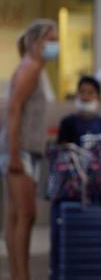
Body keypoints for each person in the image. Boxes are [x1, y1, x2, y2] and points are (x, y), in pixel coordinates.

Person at [0, 19, 58, 280]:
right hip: (19, 151)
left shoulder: (35, 68)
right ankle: (21, 275)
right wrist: (13, 154)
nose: (55, 44)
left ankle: (17, 274)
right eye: (51, 39)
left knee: (16, 216)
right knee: (26, 215)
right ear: (37, 41)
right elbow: (13, 109)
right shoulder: (31, 67)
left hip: (26, 150)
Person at [50, 75, 101, 280]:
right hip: (70, 193)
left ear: (98, 97)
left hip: (96, 193)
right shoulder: (68, 123)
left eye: (90, 92)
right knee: (63, 239)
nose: (85, 96)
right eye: (82, 91)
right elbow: (60, 160)